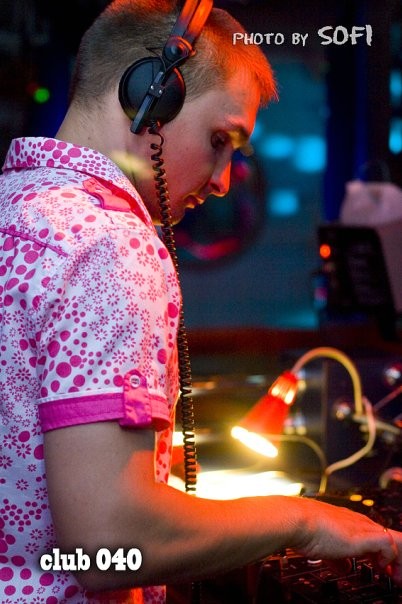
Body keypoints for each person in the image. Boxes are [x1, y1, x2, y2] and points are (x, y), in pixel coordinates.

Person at [0, 1, 401, 603]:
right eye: (220, 140)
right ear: (149, 95)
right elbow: (108, 545)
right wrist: (303, 520)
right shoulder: (106, 246)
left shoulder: (17, 207)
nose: (222, 181)